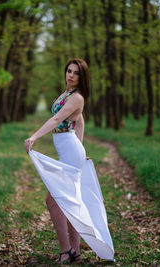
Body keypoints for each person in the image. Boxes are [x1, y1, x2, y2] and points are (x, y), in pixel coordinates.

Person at [24, 58, 114, 263]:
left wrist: (34, 137)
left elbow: (57, 120)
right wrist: (81, 149)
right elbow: (79, 122)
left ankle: (67, 250)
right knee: (70, 201)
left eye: (76, 73)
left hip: (70, 152)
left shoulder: (78, 97)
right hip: (70, 151)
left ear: (82, 77)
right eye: (69, 71)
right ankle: (74, 251)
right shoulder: (66, 95)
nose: (71, 75)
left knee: (53, 199)